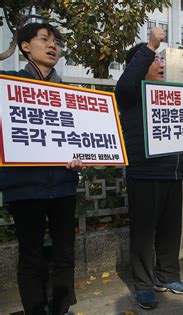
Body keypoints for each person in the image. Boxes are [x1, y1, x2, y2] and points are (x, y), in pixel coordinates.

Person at [0, 22, 84, 315]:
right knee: (31, 255)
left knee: (65, 253)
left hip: (63, 183)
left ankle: (60, 309)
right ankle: (34, 310)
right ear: (25, 46)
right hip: (24, 186)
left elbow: (83, 136)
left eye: (57, 42)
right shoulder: (8, 85)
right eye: (45, 39)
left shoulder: (70, 96)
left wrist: (81, 154)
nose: (53, 46)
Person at [115, 26, 183, 310]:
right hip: (144, 173)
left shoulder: (171, 96)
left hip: (172, 172)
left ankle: (168, 276)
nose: (161, 64)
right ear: (138, 65)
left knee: (169, 230)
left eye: (162, 60)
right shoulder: (131, 94)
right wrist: (149, 45)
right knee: (143, 232)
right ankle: (143, 284)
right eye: (155, 60)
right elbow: (124, 84)